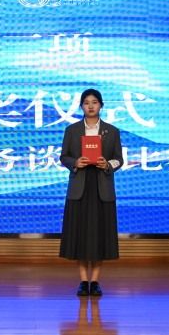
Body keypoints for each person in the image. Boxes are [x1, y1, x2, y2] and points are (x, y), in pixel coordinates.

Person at [59, 89, 123, 297]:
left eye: (94, 102)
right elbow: (64, 156)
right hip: (80, 186)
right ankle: (82, 281)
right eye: (86, 102)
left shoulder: (112, 131)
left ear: (101, 105)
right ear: (81, 106)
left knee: (100, 235)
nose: (91, 106)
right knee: (79, 235)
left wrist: (108, 164)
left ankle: (95, 281)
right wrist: (75, 162)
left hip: (102, 187)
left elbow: (119, 159)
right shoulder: (72, 130)